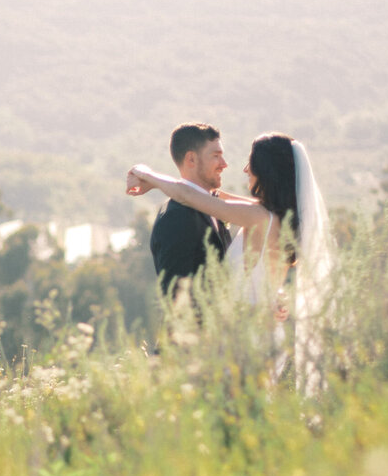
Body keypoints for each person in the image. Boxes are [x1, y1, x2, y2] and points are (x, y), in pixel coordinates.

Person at [127, 132, 334, 390]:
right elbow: (212, 195)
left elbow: (189, 196)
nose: (246, 170)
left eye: (252, 164)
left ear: (266, 171)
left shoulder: (258, 217)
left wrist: (148, 175)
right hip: (261, 336)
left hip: (247, 339)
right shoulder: (277, 219)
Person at [148, 123, 232, 297]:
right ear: (191, 159)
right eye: (216, 156)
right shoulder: (176, 217)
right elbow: (177, 298)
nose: (224, 164)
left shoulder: (214, 206)